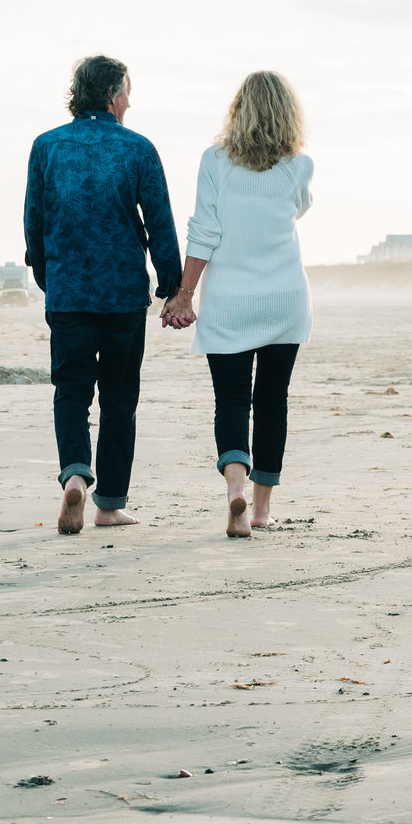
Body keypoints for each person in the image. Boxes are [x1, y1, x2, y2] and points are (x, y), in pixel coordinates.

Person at [23, 54, 183, 535]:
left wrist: (47, 277)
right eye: (128, 92)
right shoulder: (137, 149)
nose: (130, 102)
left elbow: (35, 222)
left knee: (70, 392)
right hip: (122, 295)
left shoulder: (46, 146)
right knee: (119, 400)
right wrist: (171, 286)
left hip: (69, 292)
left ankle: (75, 474)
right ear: (114, 95)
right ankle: (109, 503)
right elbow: (160, 224)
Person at [160, 71, 312, 538]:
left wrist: (183, 294)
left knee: (230, 399)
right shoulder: (299, 165)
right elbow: (300, 208)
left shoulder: (215, 161)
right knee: (272, 401)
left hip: (230, 301)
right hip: (284, 297)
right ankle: (262, 509)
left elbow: (204, 231)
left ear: (238, 109)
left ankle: (235, 493)